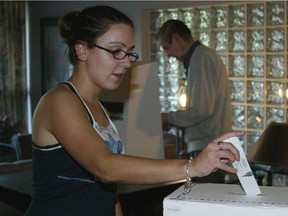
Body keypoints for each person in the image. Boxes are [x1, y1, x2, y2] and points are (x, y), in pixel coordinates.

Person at [26, 6, 243, 216]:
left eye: (129, 53)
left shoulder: (98, 108)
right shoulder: (60, 101)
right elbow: (105, 167)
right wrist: (192, 167)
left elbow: (108, 191)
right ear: (83, 50)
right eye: (116, 51)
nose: (127, 63)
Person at [157, 20, 232, 157]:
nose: (168, 55)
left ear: (177, 38)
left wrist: (168, 118)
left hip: (208, 146)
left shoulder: (201, 58)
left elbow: (200, 110)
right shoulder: (203, 56)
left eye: (167, 47)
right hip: (213, 144)